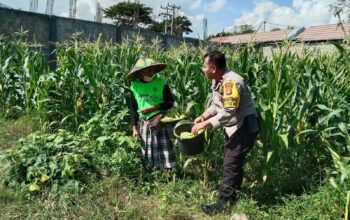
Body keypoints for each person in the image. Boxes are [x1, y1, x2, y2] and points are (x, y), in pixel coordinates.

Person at [191, 51, 260, 215]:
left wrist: (205, 124)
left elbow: (229, 111)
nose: (203, 69)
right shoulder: (219, 80)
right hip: (235, 126)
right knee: (234, 163)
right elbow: (217, 105)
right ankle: (234, 196)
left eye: (205, 66)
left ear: (213, 68)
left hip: (243, 128)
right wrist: (203, 116)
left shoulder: (231, 83)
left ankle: (221, 205)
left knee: (230, 164)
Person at [127, 56, 176, 170]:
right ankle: (152, 173)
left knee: (163, 149)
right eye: (147, 70)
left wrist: (153, 108)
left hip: (160, 120)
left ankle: (168, 172)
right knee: (149, 150)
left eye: (152, 69)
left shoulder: (161, 83)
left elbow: (170, 102)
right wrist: (134, 128)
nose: (150, 72)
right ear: (140, 73)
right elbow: (133, 108)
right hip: (144, 123)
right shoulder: (134, 86)